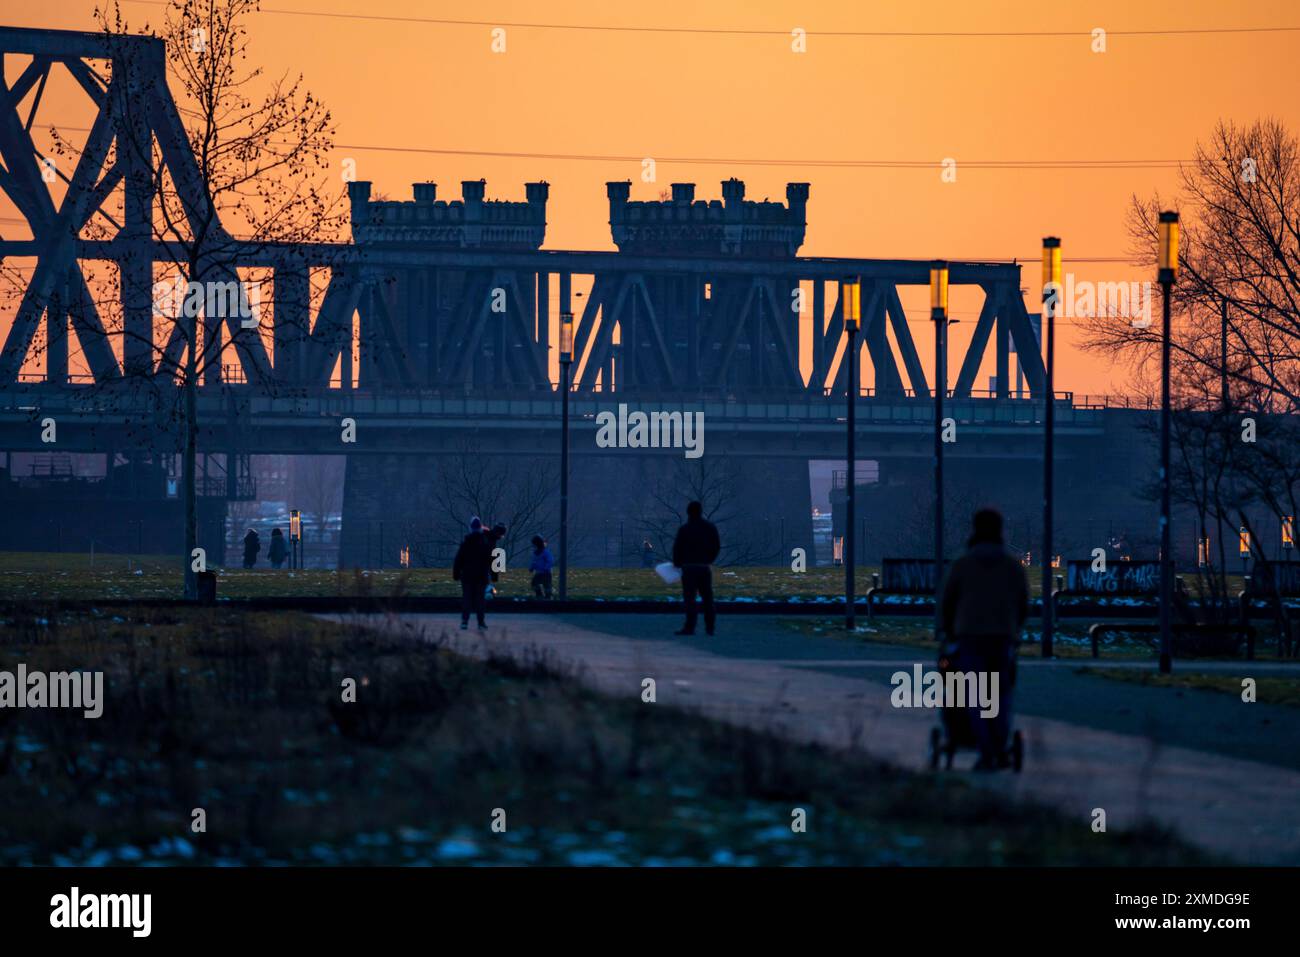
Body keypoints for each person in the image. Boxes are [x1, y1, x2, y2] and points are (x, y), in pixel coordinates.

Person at [939, 508, 1030, 771]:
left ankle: (985, 748)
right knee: (1000, 694)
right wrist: (1015, 628)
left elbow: (948, 602)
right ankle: (1001, 745)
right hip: (1002, 637)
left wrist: (948, 630)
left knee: (975, 694)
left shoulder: (962, 564)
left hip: (969, 636)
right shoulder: (1012, 566)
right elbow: (1022, 602)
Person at [671, 501, 721, 636]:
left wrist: (677, 563)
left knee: (690, 598)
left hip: (688, 567)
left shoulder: (684, 529)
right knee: (707, 598)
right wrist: (709, 560)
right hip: (704, 567)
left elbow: (677, 548)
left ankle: (690, 627)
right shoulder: (710, 528)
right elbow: (716, 546)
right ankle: (710, 627)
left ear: (688, 513)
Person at [452, 516, 493, 630]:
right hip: (481, 575)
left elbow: (458, 559)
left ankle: (464, 621)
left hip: (467, 575)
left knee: (467, 598)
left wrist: (456, 573)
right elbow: (490, 559)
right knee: (480, 599)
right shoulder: (485, 543)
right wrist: (492, 574)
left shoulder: (466, 542)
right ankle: (481, 622)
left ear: (470, 528)